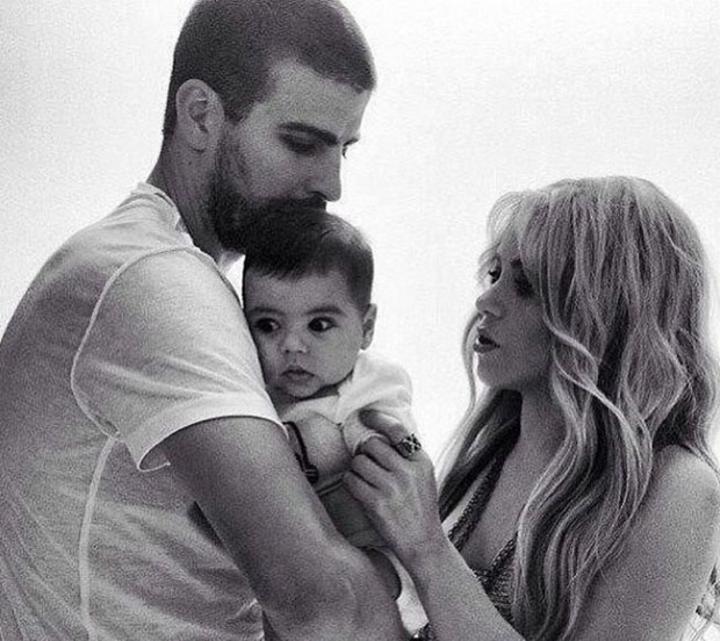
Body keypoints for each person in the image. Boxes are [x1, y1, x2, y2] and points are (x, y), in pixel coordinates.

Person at [0, 1, 408, 639]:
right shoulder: (154, 279)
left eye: (343, 150)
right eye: (301, 143)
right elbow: (324, 604)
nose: (332, 185)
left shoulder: (141, 263)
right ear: (199, 114)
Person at [345, 176, 720, 641]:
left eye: (525, 286)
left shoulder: (677, 487)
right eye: (494, 275)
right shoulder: (490, 451)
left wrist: (425, 544)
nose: (486, 301)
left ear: (604, 313)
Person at [238, 208, 428, 634]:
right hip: (290, 573)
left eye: (319, 324)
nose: (292, 344)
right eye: (268, 325)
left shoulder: (368, 386)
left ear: (366, 327)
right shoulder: (253, 396)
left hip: (382, 563)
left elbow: (394, 468)